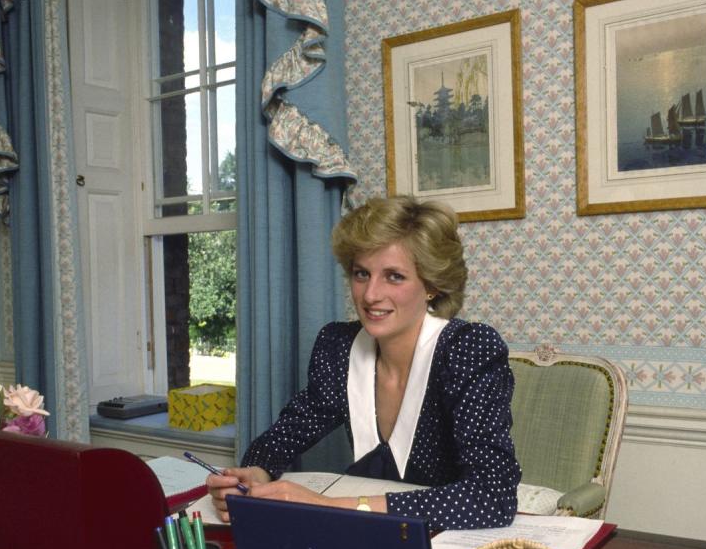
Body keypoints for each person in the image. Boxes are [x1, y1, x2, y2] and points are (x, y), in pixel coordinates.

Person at [207, 196, 521, 530]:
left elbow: (493, 497)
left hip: (448, 543)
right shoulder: (339, 347)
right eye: (361, 274)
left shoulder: (468, 350)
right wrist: (254, 475)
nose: (370, 295)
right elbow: (280, 439)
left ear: (431, 285)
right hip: (366, 537)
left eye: (394, 276)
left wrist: (329, 507)